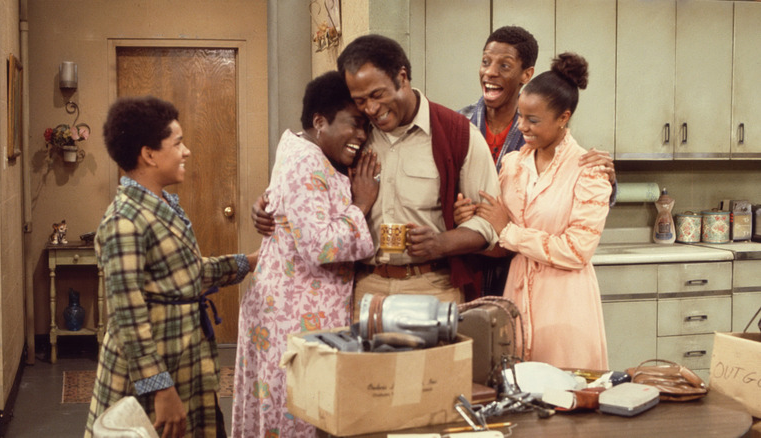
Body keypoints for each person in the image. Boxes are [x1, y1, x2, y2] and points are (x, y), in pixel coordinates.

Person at [253, 35, 501, 313]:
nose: (371, 109)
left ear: (402, 77)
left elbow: (490, 223)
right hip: (364, 289)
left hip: (433, 287)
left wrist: (440, 243)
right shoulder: (354, 137)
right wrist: (268, 204)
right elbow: (307, 180)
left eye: (377, 95)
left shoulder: (457, 134)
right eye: (360, 101)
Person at [85, 96, 257, 438]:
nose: (187, 151)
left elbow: (185, 275)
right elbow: (128, 318)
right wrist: (160, 389)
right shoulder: (123, 222)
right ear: (149, 154)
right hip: (150, 374)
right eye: (178, 143)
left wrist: (249, 262)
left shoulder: (161, 206)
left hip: (184, 356)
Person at [231, 71, 379, 437]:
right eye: (355, 124)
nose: (362, 136)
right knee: (295, 416)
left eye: (366, 127)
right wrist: (360, 205)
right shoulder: (307, 161)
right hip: (294, 321)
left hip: (289, 313)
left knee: (287, 414)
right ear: (319, 121)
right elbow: (321, 245)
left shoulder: (302, 150)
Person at [469, 53, 611, 370]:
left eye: (533, 121)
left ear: (563, 118)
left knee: (566, 393)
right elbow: (498, 229)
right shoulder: (513, 165)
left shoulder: (589, 171)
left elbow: (577, 251)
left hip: (565, 301)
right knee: (519, 392)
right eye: (520, 117)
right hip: (516, 293)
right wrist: (473, 214)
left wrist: (509, 231)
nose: (522, 127)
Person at [455, 26, 617, 296]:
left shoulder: (544, 127)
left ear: (526, 74)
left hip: (523, 268)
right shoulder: (459, 124)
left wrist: (609, 179)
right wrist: (459, 214)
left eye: (504, 65)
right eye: (486, 62)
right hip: (469, 264)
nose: (490, 72)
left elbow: (569, 189)